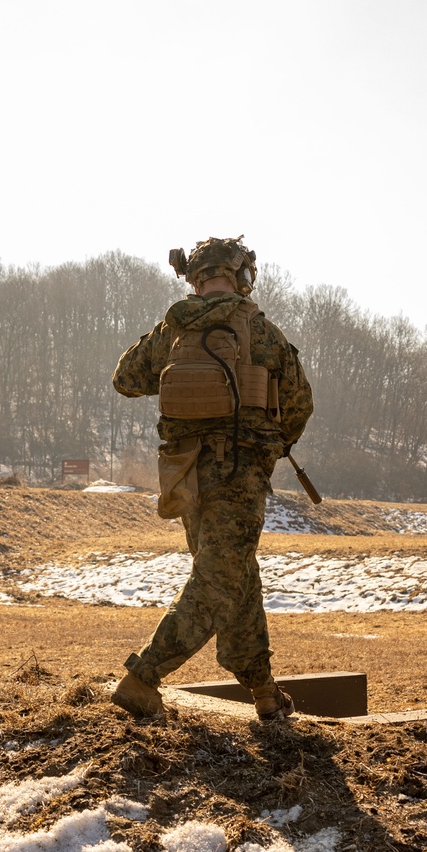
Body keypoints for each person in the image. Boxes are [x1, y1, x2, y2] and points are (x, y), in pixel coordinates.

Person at [110, 236, 314, 721]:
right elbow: (300, 404)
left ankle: (264, 692)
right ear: (242, 276)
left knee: (234, 576)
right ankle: (143, 678)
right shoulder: (263, 332)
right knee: (218, 582)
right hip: (239, 474)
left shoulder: (173, 330)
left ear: (194, 279)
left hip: (186, 477)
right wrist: (269, 443)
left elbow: (125, 378)